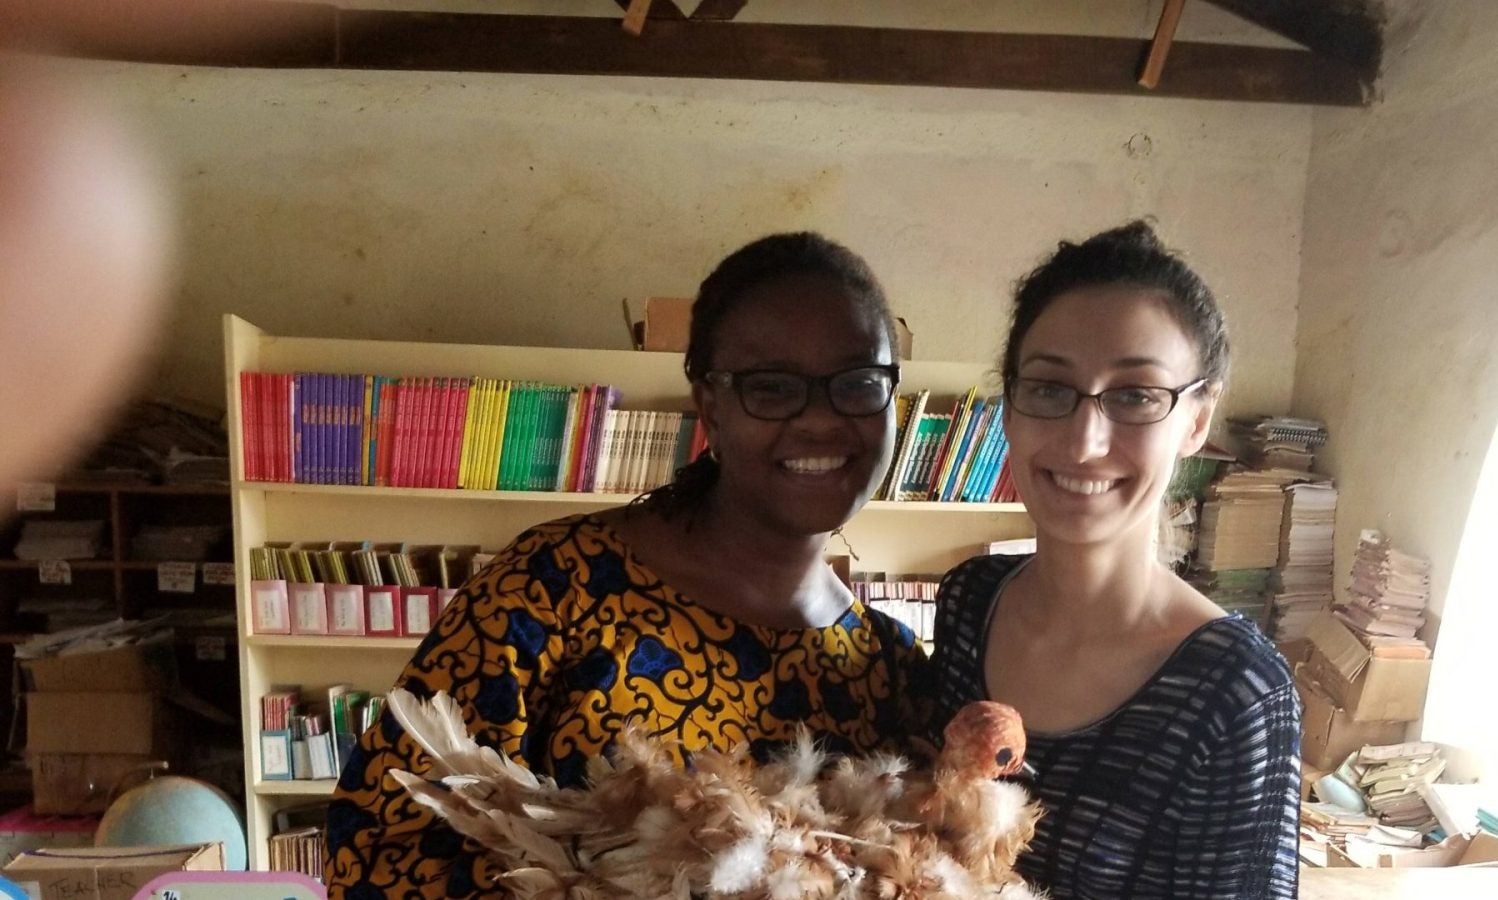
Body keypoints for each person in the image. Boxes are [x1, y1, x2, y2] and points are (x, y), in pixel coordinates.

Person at [324, 232, 927, 899]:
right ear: (711, 407)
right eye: (773, 388)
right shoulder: (554, 588)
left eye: (858, 382)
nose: (820, 420)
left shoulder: (889, 667)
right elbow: (377, 846)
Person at [927, 221, 1299, 898]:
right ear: (1008, 405)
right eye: (1048, 388)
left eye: (1134, 396)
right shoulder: (967, 603)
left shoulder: (1234, 691)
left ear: (1195, 419)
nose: (1085, 441)